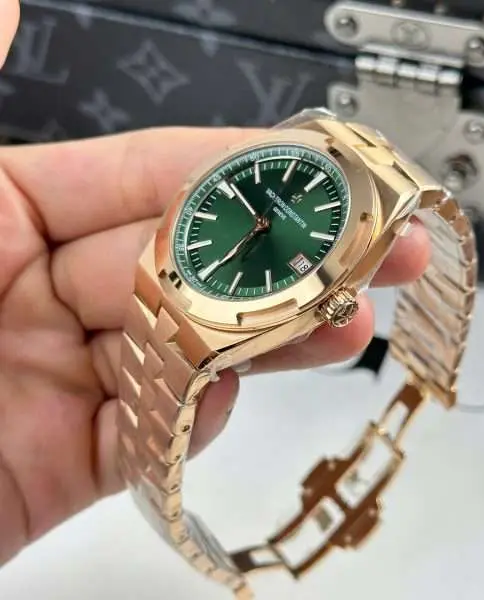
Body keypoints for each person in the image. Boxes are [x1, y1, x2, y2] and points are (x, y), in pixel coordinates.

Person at [0, 0, 430, 568]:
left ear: (335, 303)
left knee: (408, 250)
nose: (264, 225)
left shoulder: (328, 273)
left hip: (231, 291)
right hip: (185, 277)